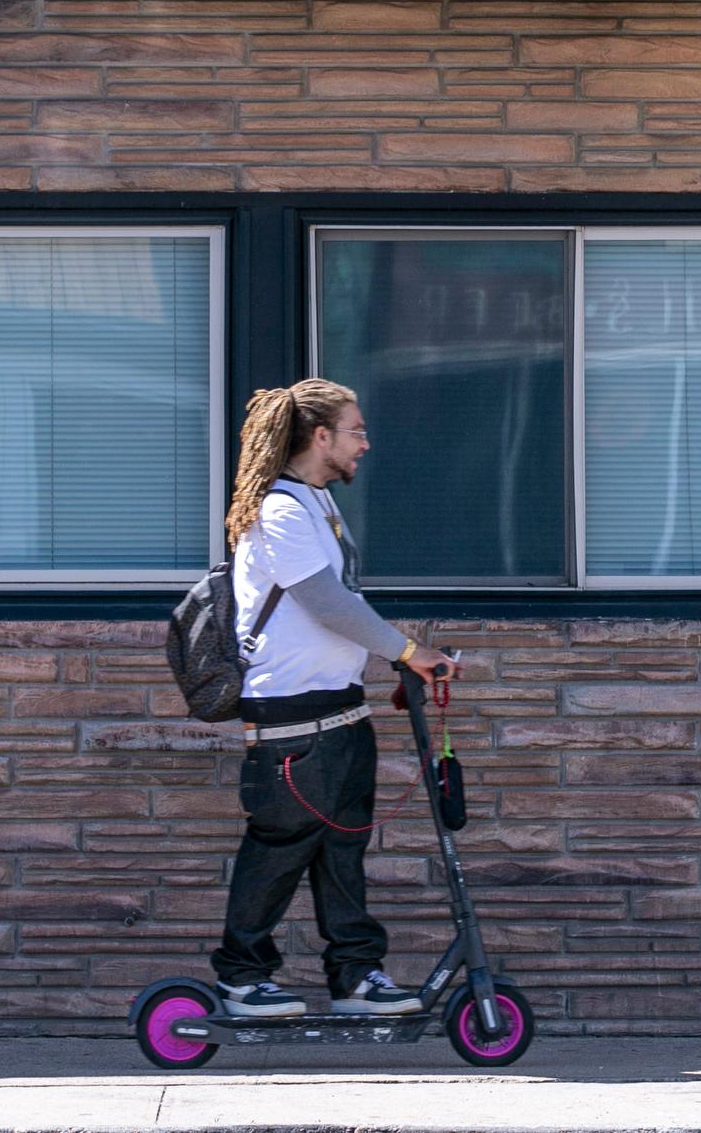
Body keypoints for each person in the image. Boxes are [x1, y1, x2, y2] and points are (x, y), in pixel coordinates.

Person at [210, 378, 459, 1020]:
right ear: (320, 436)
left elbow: (346, 608)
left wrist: (396, 666)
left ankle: (355, 976)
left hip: (342, 709)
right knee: (281, 845)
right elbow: (326, 604)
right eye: (356, 431)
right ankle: (241, 979)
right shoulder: (280, 511)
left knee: (342, 848)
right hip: (291, 715)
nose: (366, 444)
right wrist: (408, 652)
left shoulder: (317, 504)